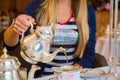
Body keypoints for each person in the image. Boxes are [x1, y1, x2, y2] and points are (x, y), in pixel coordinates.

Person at [3, 0, 96, 78]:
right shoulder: (37, 6)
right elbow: (10, 46)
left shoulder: (88, 12)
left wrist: (69, 72)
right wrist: (15, 27)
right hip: (41, 77)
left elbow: (88, 56)